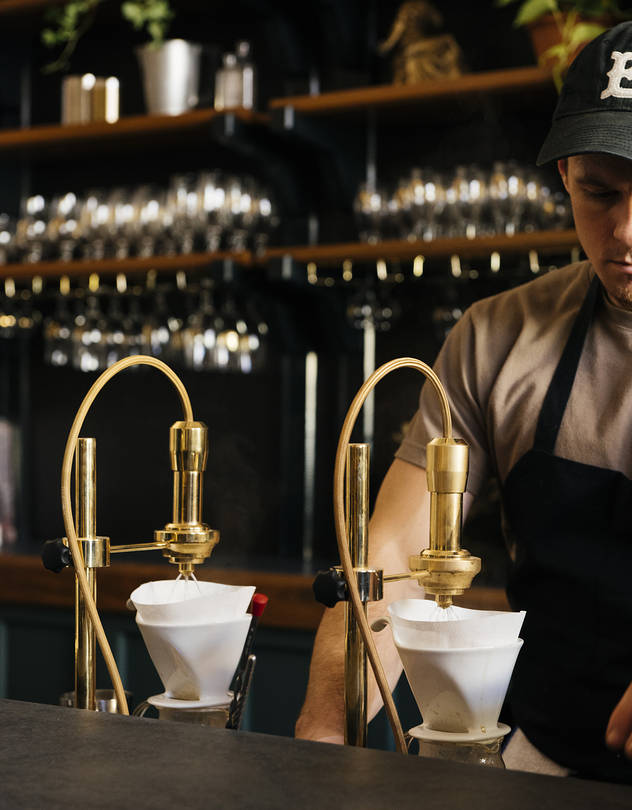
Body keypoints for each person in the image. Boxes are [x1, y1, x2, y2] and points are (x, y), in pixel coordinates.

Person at [295, 21, 632, 784]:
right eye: (599, 193)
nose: (624, 231)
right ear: (566, 177)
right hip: (541, 762)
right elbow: (392, 564)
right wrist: (318, 741)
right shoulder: (497, 339)